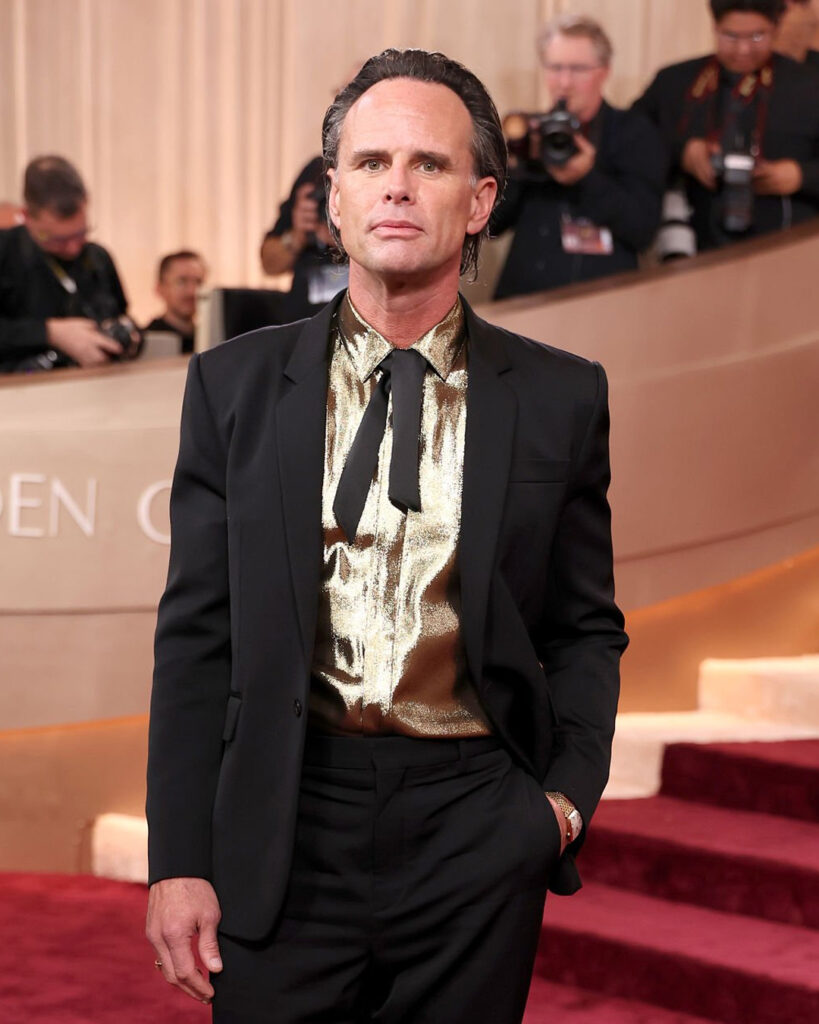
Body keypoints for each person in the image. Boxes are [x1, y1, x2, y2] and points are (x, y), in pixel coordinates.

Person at [146, 48, 627, 1023]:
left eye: (430, 164)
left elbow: (585, 629)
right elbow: (197, 637)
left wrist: (560, 808)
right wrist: (180, 859)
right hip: (286, 815)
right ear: (333, 198)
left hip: (477, 822)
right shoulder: (232, 388)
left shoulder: (562, 397)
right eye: (370, 164)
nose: (397, 186)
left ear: (481, 200)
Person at [492, 15, 666, 300]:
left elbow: (642, 230)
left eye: (577, 69)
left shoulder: (634, 132)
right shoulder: (529, 132)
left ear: (604, 71)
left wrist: (586, 179)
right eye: (555, 68)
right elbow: (491, 225)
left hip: (601, 302)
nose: (564, 82)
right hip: (524, 299)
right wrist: (517, 163)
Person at [633, 0, 819, 252]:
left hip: (788, 245)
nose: (742, 50)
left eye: (757, 36)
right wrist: (682, 151)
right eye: (730, 36)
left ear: (776, 28)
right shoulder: (675, 83)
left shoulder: (809, 87)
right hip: (694, 247)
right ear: (714, 27)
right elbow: (627, 144)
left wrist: (801, 176)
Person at [0, 155, 138, 373]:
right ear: (26, 216)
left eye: (81, 233)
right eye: (58, 240)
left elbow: (121, 316)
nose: (73, 248)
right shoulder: (5, 252)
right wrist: (49, 333)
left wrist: (129, 337)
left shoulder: (98, 257)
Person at [259, 155, 349, 320]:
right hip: (303, 321)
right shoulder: (315, 172)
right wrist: (298, 236)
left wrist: (347, 239)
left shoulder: (376, 175)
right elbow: (269, 264)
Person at [144, 250, 207, 354]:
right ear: (160, 289)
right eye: (181, 281)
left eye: (198, 282)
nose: (192, 291)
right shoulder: (147, 344)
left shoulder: (211, 340)